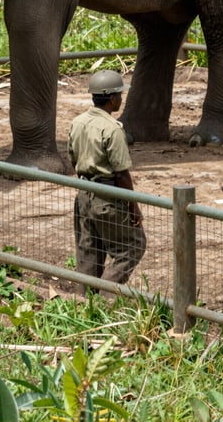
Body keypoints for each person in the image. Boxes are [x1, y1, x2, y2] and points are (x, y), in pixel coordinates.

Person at [68, 69, 146, 294]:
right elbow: (122, 173)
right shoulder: (112, 129)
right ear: (113, 98)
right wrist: (133, 208)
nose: (121, 98)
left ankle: (83, 303)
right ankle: (105, 296)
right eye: (120, 95)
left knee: (88, 252)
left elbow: (73, 158)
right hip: (107, 198)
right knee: (132, 247)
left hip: (84, 194)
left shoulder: (78, 122)